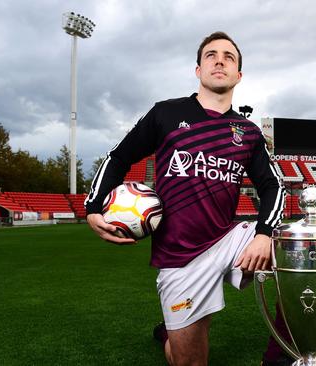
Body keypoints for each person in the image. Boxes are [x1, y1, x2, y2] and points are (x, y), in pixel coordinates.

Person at [84, 31, 285, 366]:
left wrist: (264, 234)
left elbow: (273, 185)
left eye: (229, 57)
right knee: (188, 360)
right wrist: (93, 209)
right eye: (211, 55)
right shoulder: (166, 114)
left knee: (303, 252)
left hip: (230, 239)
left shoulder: (247, 131)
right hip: (180, 255)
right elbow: (118, 158)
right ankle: (170, 335)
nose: (219, 60)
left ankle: (278, 358)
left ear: (238, 75)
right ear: (198, 70)